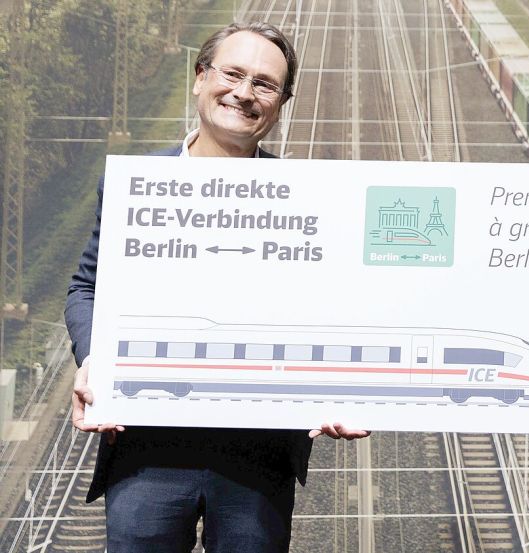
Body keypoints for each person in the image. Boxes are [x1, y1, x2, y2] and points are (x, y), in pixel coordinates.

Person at [65, 22, 368, 553]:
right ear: (200, 78)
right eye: (232, 73)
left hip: (258, 456)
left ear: (281, 102)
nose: (244, 93)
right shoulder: (134, 184)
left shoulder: (311, 199)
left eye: (265, 83)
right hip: (146, 449)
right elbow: (86, 289)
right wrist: (96, 359)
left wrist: (343, 387)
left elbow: (332, 315)